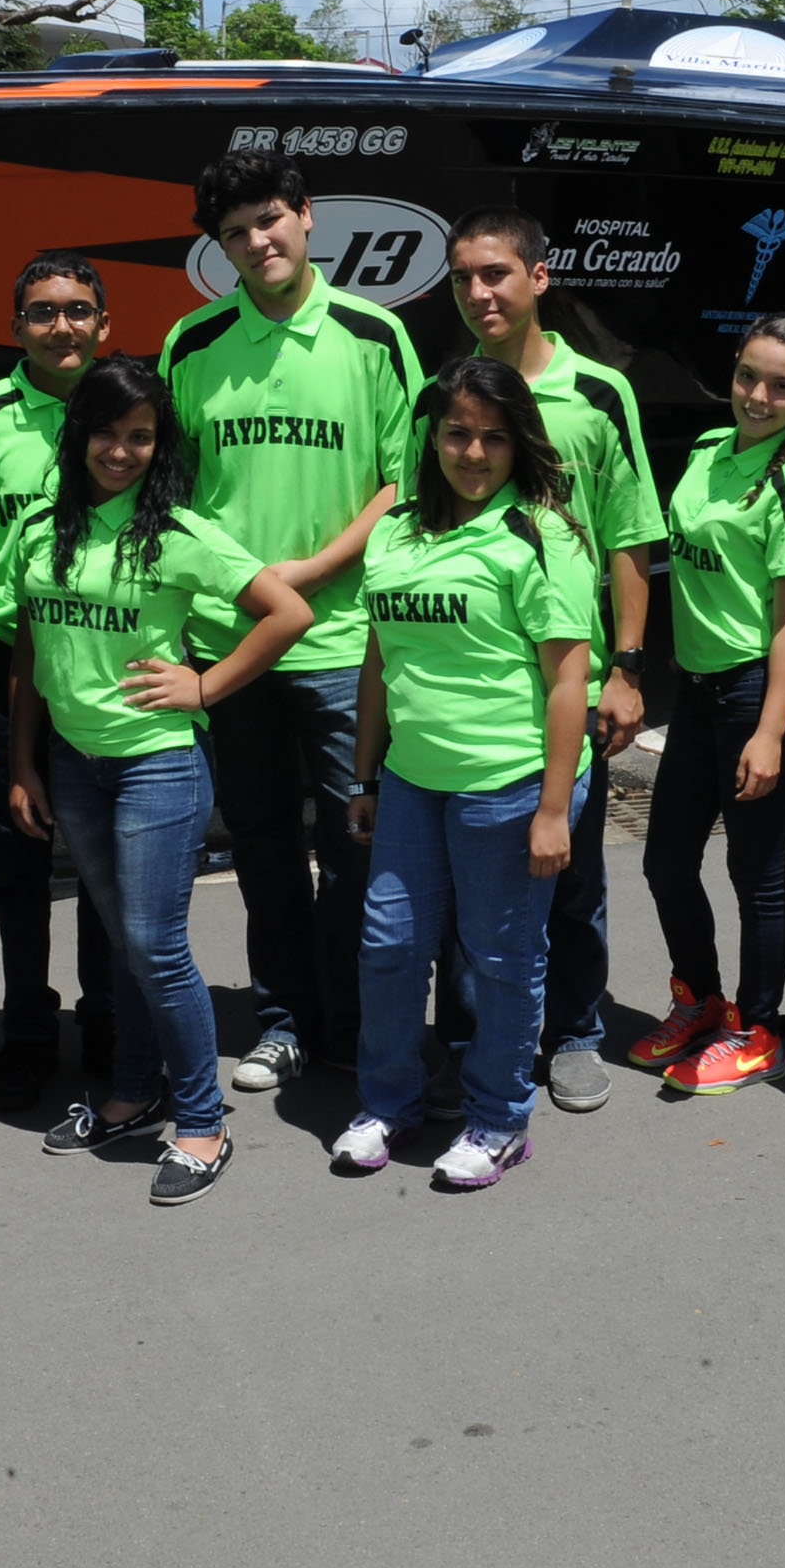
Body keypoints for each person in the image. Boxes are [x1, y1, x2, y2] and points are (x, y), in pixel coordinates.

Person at [3, 360, 313, 1206]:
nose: (121, 450)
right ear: (79, 433)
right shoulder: (40, 527)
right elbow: (30, 646)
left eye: (140, 437)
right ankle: (134, 1096)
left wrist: (206, 687)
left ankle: (204, 1123)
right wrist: (24, 761)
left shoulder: (176, 532)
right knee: (122, 943)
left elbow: (288, 612)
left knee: (154, 945)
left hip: (157, 764)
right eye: (107, 431)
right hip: (74, 763)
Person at [161, 149, 427, 1092]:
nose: (258, 242)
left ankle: (355, 1024)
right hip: (228, 642)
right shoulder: (191, 343)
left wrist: (310, 572)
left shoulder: (374, 334)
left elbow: (404, 482)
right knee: (263, 847)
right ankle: (283, 1021)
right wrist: (245, 585)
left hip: (344, 642)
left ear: (306, 216)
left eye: (270, 219)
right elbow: (171, 490)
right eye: (235, 232)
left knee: (357, 844)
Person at [331, 358, 597, 1188]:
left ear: (520, 443)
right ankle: (389, 1104)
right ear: (432, 439)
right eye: (457, 433)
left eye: (493, 437)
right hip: (413, 780)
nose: (474, 453)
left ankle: (499, 1120)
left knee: (501, 959)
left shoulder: (542, 535)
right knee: (389, 945)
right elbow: (378, 661)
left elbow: (568, 680)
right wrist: (365, 778)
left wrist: (552, 808)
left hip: (510, 782)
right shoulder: (395, 529)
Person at [427, 208, 665, 1114]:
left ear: (539, 276)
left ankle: (574, 1032)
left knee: (567, 872)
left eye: (495, 273)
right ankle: (467, 1040)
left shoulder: (600, 393)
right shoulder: (443, 390)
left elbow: (631, 538)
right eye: (463, 277)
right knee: (460, 885)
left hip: (567, 680)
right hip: (464, 682)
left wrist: (628, 669)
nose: (478, 292)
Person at [632, 315, 785, 1098]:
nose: (757, 395)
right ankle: (702, 1002)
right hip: (698, 689)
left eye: (781, 386)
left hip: (755, 694)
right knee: (665, 861)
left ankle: (758, 1033)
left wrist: (773, 730)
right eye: (749, 375)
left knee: (757, 876)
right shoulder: (709, 449)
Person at [0, 254, 121, 1107]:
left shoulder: (128, 407)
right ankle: (26, 1031)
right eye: (44, 313)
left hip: (102, 656)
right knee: (18, 865)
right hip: (1, 660)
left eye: (78, 311)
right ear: (15, 327)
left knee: (101, 863)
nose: (63, 327)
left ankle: (108, 1022)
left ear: (104, 324)